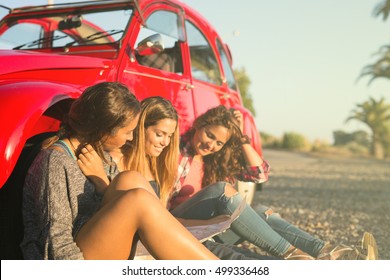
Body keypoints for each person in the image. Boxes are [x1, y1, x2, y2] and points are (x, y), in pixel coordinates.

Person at [20, 82, 218, 260]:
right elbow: (56, 241)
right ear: (105, 129)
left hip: (96, 242)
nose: (132, 138)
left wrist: (100, 182)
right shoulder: (55, 161)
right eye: (127, 132)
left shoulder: (100, 154)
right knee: (138, 200)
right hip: (69, 261)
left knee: (130, 179)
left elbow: (113, 204)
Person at [78, 96, 277, 260]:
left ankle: (300, 257)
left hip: (163, 235)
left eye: (170, 136)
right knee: (229, 255)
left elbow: (259, 173)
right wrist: (101, 182)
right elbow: (100, 211)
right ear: (141, 127)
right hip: (132, 247)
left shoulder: (157, 162)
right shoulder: (117, 162)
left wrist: (213, 224)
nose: (165, 142)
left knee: (262, 220)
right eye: (160, 134)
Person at [169, 105, 376, 260]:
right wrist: (207, 224)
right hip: (177, 229)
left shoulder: (214, 161)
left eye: (219, 142)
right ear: (199, 125)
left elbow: (259, 174)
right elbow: (159, 211)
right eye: (209, 134)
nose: (210, 144)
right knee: (222, 191)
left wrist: (241, 138)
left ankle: (331, 253)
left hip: (210, 232)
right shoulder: (175, 152)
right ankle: (295, 257)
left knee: (260, 211)